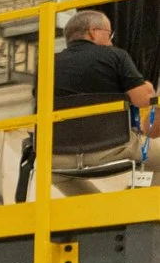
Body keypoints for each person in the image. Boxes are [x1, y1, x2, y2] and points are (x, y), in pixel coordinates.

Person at [49, 10, 155, 190]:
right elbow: (143, 100)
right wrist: (148, 87)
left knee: (61, 177)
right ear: (93, 32)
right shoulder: (115, 55)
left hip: (58, 156)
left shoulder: (46, 64)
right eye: (109, 34)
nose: (111, 41)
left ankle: (102, 217)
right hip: (112, 149)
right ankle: (145, 206)